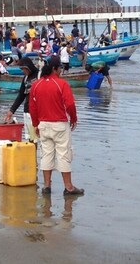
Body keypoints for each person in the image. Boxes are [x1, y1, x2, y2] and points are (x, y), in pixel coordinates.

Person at [29, 55, 83, 196]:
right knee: (64, 155)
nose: (61, 70)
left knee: (46, 155)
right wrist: (74, 118)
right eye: (60, 68)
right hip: (59, 124)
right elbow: (70, 104)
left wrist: (35, 124)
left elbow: (32, 107)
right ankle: (69, 187)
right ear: (55, 68)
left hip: (43, 125)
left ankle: (47, 186)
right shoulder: (61, 84)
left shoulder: (36, 84)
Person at [4, 57, 39, 141]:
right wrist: (12, 110)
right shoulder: (25, 78)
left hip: (38, 112)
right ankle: (32, 154)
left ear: (28, 67)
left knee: (40, 138)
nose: (23, 71)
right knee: (31, 138)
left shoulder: (39, 75)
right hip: (27, 111)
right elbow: (21, 95)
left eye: (23, 69)